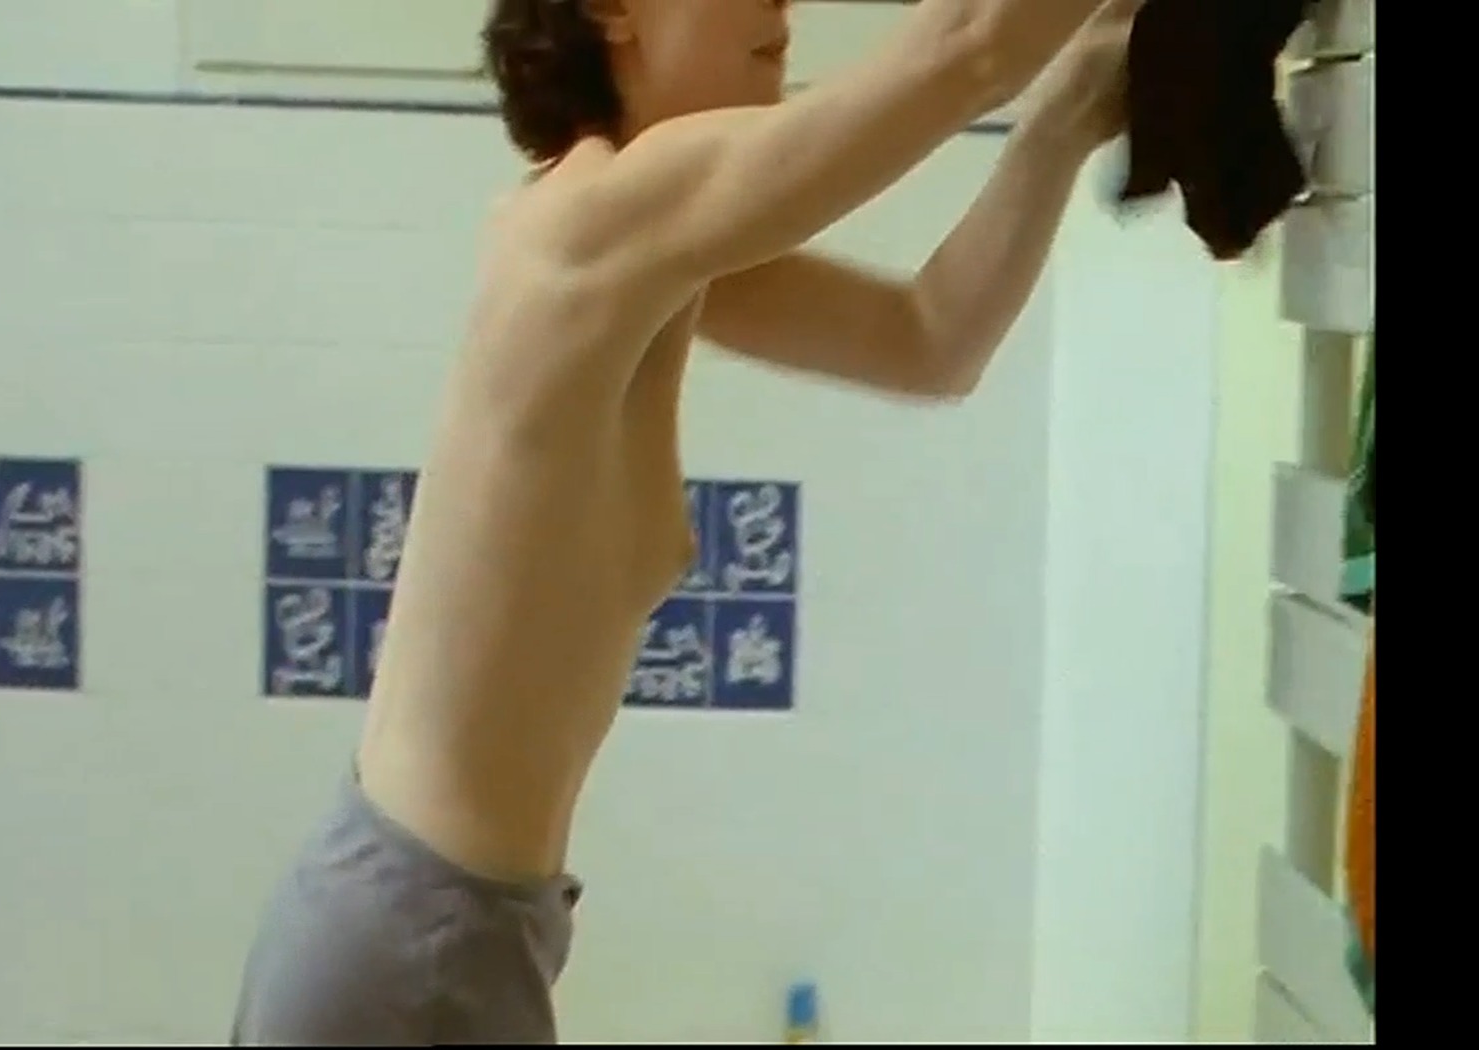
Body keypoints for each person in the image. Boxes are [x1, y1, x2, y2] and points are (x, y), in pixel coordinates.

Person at [232, 0, 1140, 1043]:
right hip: (417, 944)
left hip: (437, 929)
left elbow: (932, 338)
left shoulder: (644, 255)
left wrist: (1067, 115)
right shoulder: (592, 227)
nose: (782, 3)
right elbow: (967, 48)